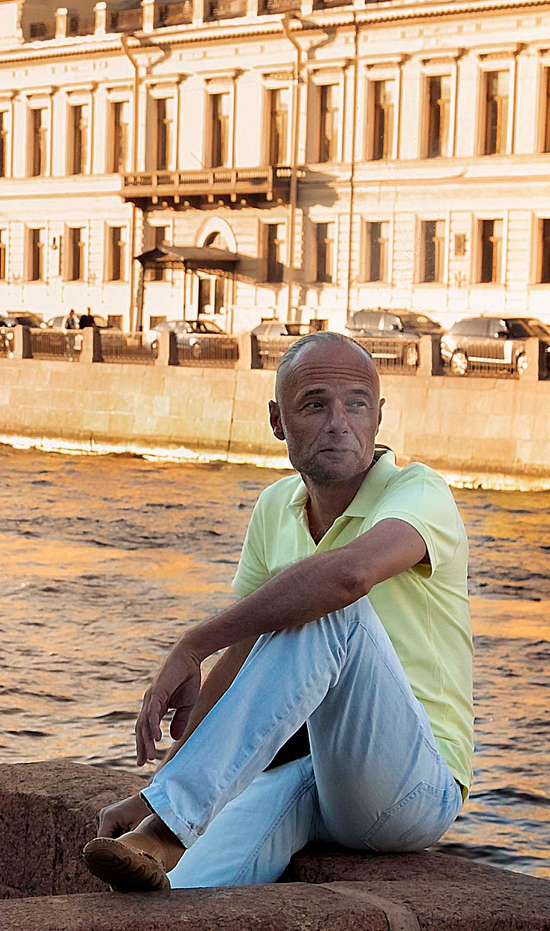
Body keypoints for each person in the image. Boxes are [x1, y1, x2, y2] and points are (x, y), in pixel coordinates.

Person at [83, 332, 473, 892]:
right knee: (178, 896)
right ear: (277, 419)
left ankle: (169, 824)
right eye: (316, 404)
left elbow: (347, 578)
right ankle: (165, 834)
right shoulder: (274, 507)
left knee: (331, 609)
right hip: (316, 779)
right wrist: (165, 777)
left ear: (379, 417)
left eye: (356, 404)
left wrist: (194, 643)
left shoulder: (419, 493)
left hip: (416, 783)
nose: (339, 422)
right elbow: (246, 654)